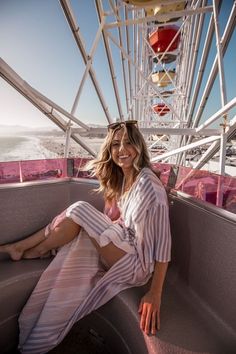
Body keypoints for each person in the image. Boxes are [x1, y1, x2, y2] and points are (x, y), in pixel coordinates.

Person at [0, 120, 171, 354]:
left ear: (139, 146)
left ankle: (28, 249)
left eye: (128, 143)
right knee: (78, 236)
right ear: (109, 151)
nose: (122, 150)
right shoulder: (123, 179)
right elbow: (115, 222)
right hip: (122, 246)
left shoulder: (150, 186)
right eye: (116, 145)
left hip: (136, 264)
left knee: (80, 209)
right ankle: (30, 253)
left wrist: (155, 293)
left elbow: (163, 245)